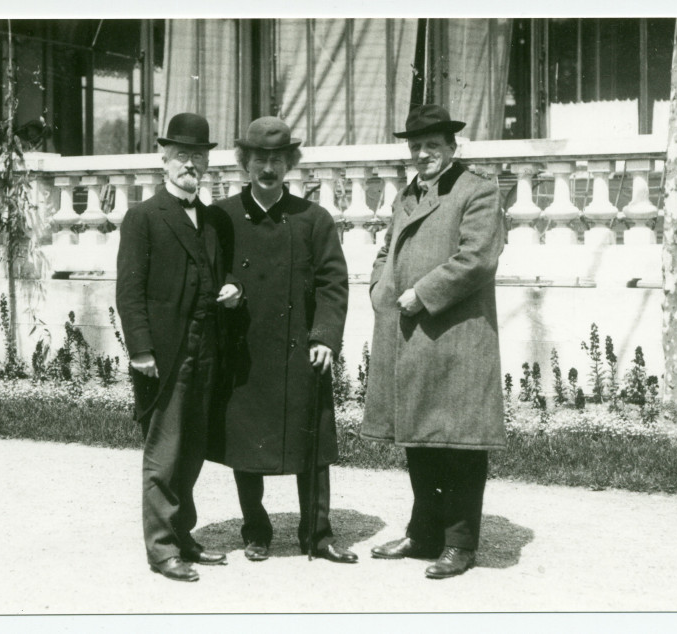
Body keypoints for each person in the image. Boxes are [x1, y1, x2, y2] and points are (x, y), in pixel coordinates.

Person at [362, 104, 506, 579]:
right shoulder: (408, 195)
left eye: (433, 146)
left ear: (451, 147)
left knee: (460, 443)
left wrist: (422, 293)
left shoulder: (478, 190)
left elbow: (478, 259)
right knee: (419, 439)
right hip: (410, 333)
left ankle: (460, 544)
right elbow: (388, 247)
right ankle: (423, 533)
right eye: (416, 147)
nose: (423, 154)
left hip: (457, 337)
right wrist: (379, 285)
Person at [208, 116, 358, 564]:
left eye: (277, 159)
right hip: (245, 351)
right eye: (259, 159)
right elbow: (211, 271)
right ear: (244, 162)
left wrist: (326, 338)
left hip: (300, 351)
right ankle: (255, 528)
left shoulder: (313, 219)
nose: (268, 168)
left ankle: (319, 535)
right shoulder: (223, 217)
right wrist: (227, 289)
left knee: (311, 444)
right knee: (244, 444)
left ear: (290, 163)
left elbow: (335, 283)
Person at [115, 112, 243, 582]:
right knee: (164, 451)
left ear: (208, 164)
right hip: (165, 353)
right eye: (183, 155)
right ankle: (162, 548)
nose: (191, 164)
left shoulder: (212, 219)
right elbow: (129, 291)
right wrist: (142, 349)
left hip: (207, 347)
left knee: (192, 449)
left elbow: (224, 272)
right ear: (163, 159)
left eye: (199, 156)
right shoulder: (144, 218)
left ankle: (184, 536)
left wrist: (233, 289)